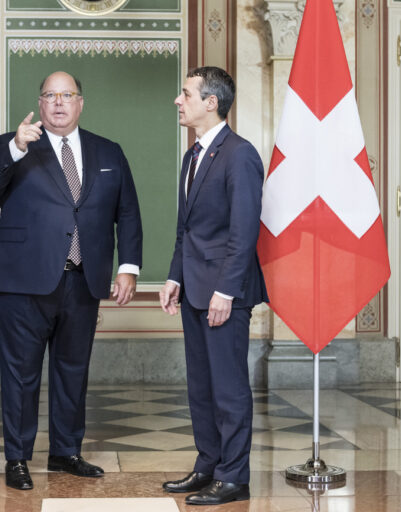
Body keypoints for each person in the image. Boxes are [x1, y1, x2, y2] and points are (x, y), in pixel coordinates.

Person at [0, 71, 143, 491]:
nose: (59, 102)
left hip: (83, 280)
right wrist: (15, 146)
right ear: (40, 102)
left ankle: (66, 451)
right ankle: (17, 457)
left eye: (67, 95)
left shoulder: (109, 151)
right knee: (21, 373)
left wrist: (129, 267)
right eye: (50, 95)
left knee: (73, 370)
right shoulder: (13, 145)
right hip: (23, 282)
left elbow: (128, 213)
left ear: (81, 102)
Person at [159, 66, 267, 506]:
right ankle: (208, 466)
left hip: (224, 294)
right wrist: (173, 276)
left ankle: (234, 476)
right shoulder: (192, 156)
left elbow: (244, 232)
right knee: (200, 387)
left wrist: (225, 291)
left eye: (185, 94)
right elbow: (187, 229)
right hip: (193, 289)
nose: (177, 101)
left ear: (211, 102)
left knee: (229, 388)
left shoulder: (240, 154)